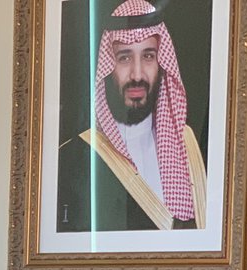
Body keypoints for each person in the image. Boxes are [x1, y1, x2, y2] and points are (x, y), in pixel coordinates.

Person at [57, 0, 206, 232]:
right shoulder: (74, 158)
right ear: (108, 66)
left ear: (162, 63)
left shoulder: (192, 147)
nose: (137, 74)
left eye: (148, 56)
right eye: (124, 58)